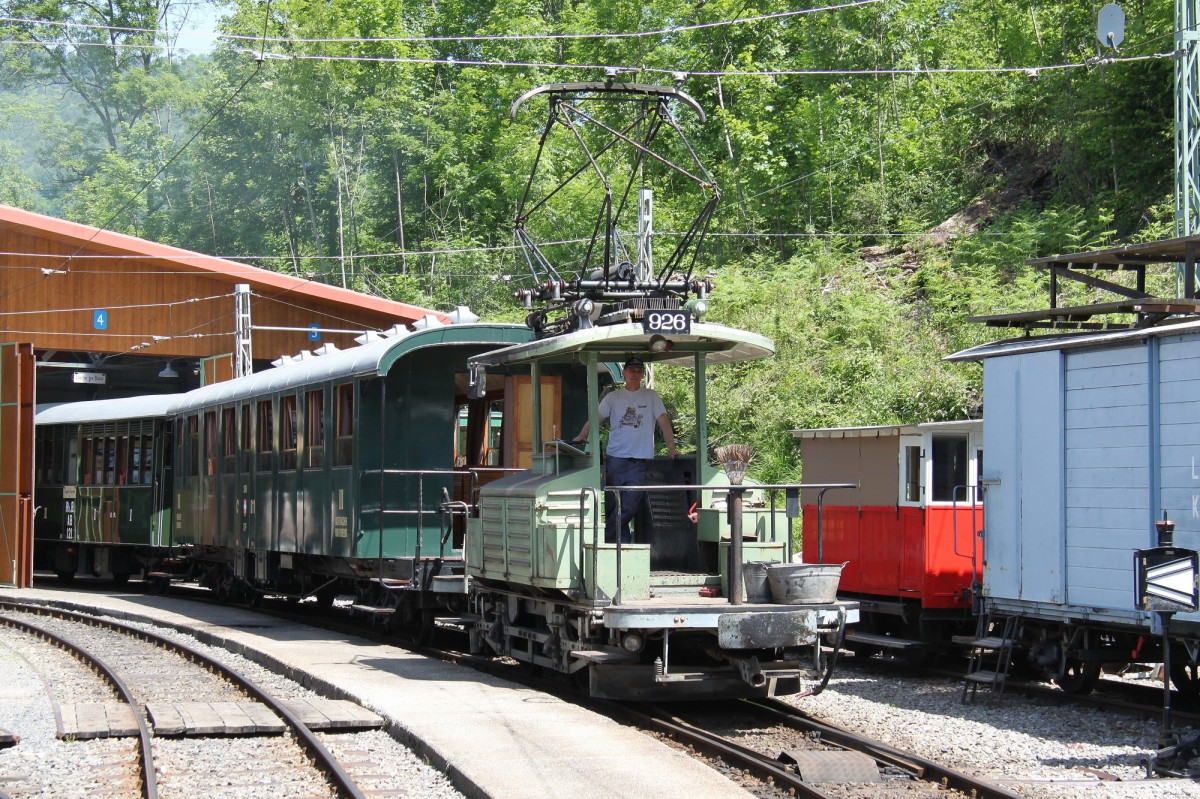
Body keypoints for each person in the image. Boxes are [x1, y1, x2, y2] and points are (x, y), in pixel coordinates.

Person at [573, 356, 678, 543]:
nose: (635, 374)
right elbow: (596, 418)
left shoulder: (651, 396)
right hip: (615, 458)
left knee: (630, 504)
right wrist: (582, 436)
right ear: (624, 373)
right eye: (632, 370)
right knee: (614, 504)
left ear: (643, 374)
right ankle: (621, 545)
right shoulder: (613, 397)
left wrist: (671, 448)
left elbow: (663, 421)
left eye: (639, 370)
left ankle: (606, 539)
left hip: (640, 459)